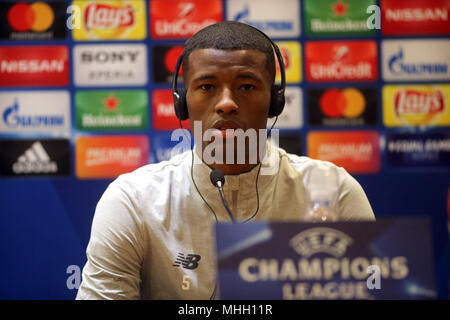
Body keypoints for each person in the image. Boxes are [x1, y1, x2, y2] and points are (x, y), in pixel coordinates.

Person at [76, 21, 375, 300]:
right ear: (183, 103)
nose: (227, 103)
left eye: (246, 86)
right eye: (207, 87)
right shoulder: (133, 200)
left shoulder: (334, 192)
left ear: (274, 101)